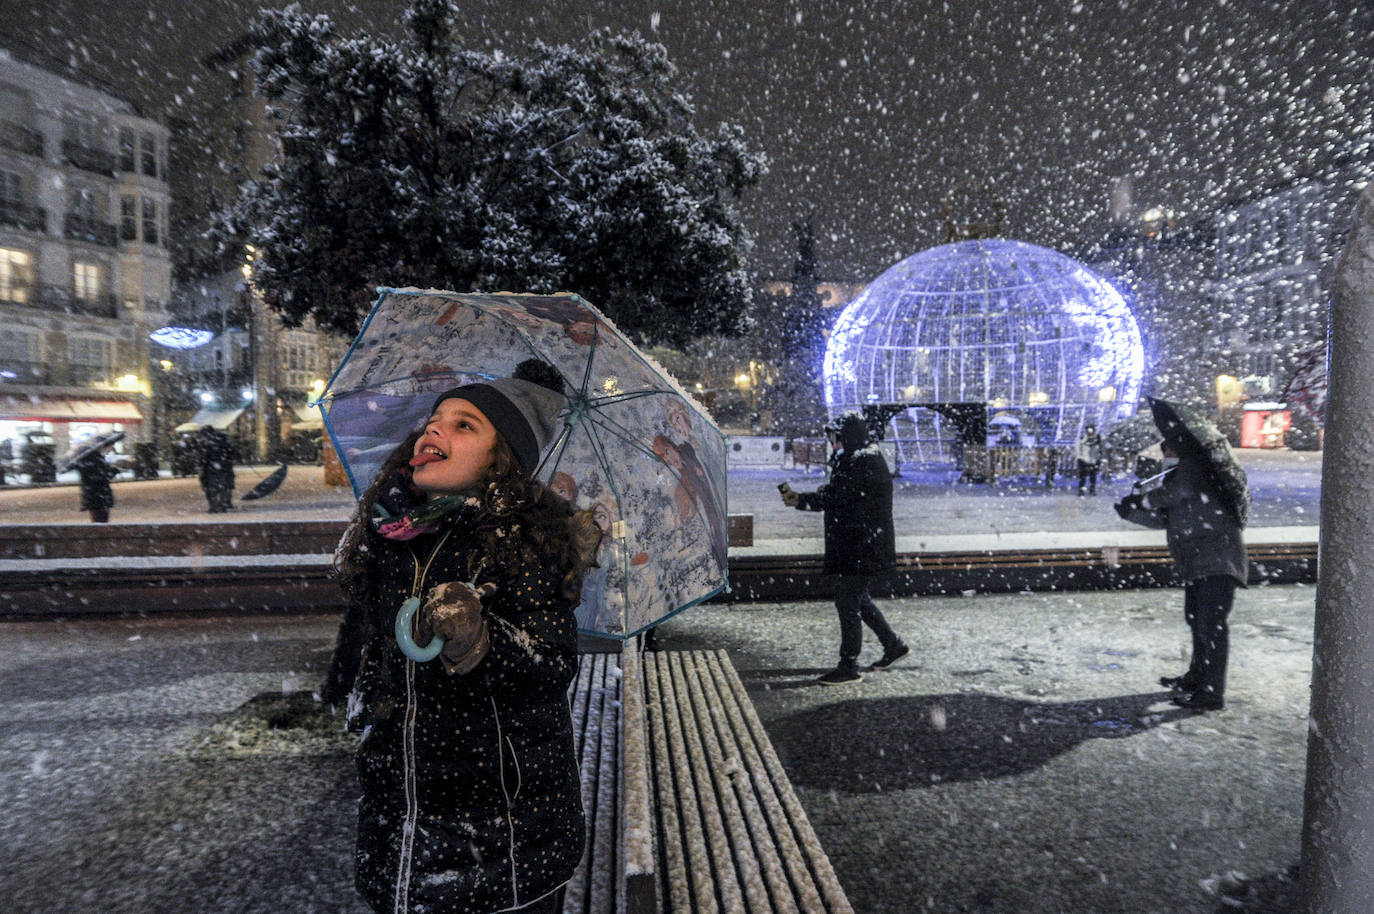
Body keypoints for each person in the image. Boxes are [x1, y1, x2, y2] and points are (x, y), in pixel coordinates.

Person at [332, 359, 599, 914]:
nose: (434, 429)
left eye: (464, 425)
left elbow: (550, 667)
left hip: (501, 846)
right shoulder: (394, 533)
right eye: (435, 419)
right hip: (399, 834)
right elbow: (378, 655)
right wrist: (366, 700)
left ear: (502, 463)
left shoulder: (520, 540)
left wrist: (479, 642)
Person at [1113, 431, 1247, 712]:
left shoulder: (1196, 468)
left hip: (1218, 561)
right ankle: (1197, 677)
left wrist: (1144, 499)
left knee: (1211, 625)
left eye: (1170, 450)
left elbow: (1173, 495)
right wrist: (1132, 512)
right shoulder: (1182, 476)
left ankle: (1211, 692)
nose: (1166, 457)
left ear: (1182, 450)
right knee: (1197, 620)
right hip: (1198, 563)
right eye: (1164, 452)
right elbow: (1166, 518)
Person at [780, 411, 910, 684]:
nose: (834, 444)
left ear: (848, 438)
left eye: (836, 439)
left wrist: (806, 499)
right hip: (859, 543)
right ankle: (893, 645)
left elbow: (839, 496)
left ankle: (849, 665)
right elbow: (838, 495)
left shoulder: (863, 463)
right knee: (857, 598)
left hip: (861, 545)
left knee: (848, 601)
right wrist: (805, 499)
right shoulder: (857, 459)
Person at [75, 443, 118, 523]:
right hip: (99, 496)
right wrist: (114, 471)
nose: (111, 449)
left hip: (92, 495)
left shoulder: (84, 460)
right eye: (111, 446)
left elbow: (95, 477)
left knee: (97, 520)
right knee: (101, 520)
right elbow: (102, 477)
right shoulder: (97, 459)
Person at [197, 425, 236, 513]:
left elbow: (203, 457)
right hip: (224, 467)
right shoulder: (223, 441)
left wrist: (202, 466)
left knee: (211, 488)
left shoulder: (206, 443)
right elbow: (232, 453)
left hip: (210, 468)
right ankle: (223, 504)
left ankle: (214, 506)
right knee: (223, 486)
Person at [1074, 424, 1103, 495]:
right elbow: (1077, 449)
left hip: (1094, 460)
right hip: (1083, 460)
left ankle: (1092, 490)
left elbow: (1101, 450)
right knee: (1082, 477)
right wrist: (1079, 458)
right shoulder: (1082, 439)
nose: (1090, 432)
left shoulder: (1098, 439)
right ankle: (1081, 490)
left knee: (1093, 476)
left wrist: (1099, 459)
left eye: (1092, 430)